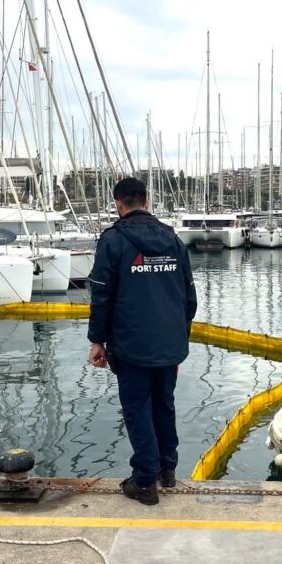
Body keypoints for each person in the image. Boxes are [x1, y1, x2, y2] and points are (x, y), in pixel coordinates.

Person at [87, 177, 197, 506]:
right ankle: (167, 470)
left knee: (137, 410)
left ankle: (145, 479)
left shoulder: (113, 240)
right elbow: (189, 298)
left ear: (118, 205)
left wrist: (97, 340)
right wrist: (177, 335)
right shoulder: (173, 239)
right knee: (164, 406)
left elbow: (101, 295)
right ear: (146, 202)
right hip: (168, 346)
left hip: (131, 345)